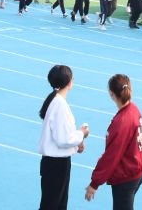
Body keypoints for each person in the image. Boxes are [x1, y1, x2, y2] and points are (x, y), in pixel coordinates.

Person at [85, 75, 142, 209]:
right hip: (138, 170)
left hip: (126, 177)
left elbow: (112, 156)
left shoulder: (121, 122)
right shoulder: (133, 109)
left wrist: (94, 183)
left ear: (111, 94)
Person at [38, 65, 89, 210]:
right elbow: (63, 139)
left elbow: (61, 135)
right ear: (69, 82)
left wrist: (77, 143)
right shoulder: (59, 105)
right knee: (52, 205)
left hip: (55, 163)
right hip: (56, 164)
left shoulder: (55, 101)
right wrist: (81, 134)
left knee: (57, 203)